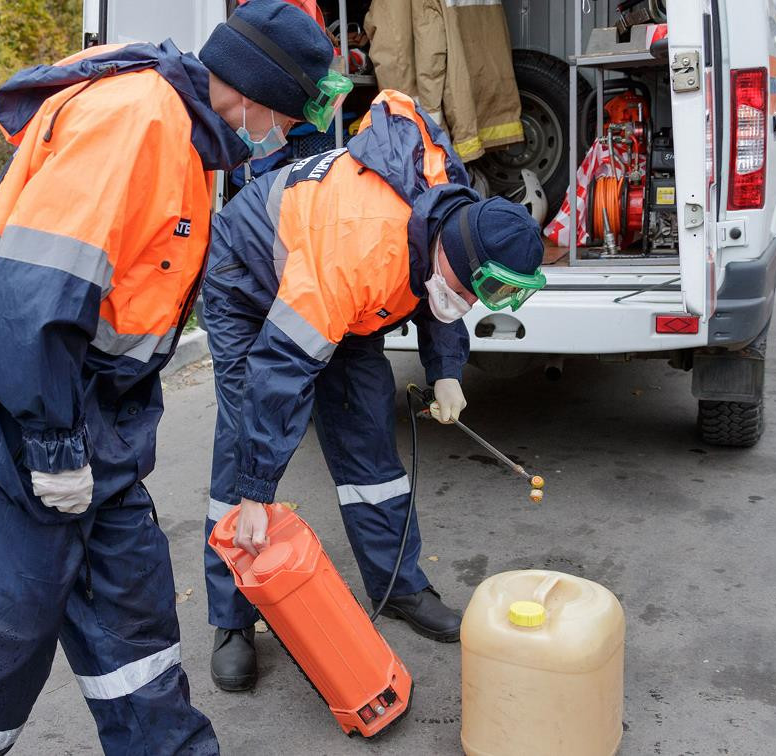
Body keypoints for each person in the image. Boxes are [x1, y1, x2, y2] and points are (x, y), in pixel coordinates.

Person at [0, 2, 335, 753]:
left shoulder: (188, 136)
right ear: (260, 99)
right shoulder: (141, 122)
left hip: (83, 411)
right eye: (285, 122)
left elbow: (118, 300)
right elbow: (30, 297)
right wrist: (54, 446)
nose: (278, 138)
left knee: (132, 620)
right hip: (1, 421)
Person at [201, 90, 546, 691]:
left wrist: (446, 369)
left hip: (345, 297)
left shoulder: (449, 213)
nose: (469, 304)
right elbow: (279, 373)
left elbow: (443, 289)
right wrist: (257, 491)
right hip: (249, 277)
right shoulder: (359, 251)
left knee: (367, 441)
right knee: (243, 437)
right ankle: (232, 618)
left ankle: (398, 586)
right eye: (472, 292)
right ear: (448, 255)